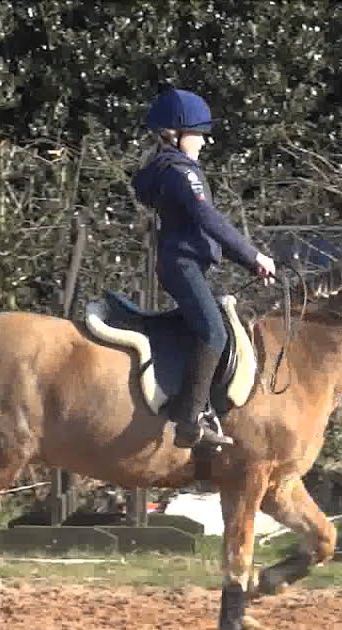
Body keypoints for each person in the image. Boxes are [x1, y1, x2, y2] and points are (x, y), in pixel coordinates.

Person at [131, 84, 277, 449]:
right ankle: (188, 419)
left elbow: (201, 230)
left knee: (211, 327)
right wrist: (253, 255)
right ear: (175, 134)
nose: (204, 142)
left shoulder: (172, 169)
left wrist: (247, 264)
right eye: (199, 134)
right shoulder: (182, 173)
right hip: (183, 266)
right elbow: (208, 218)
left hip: (183, 263)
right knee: (215, 332)